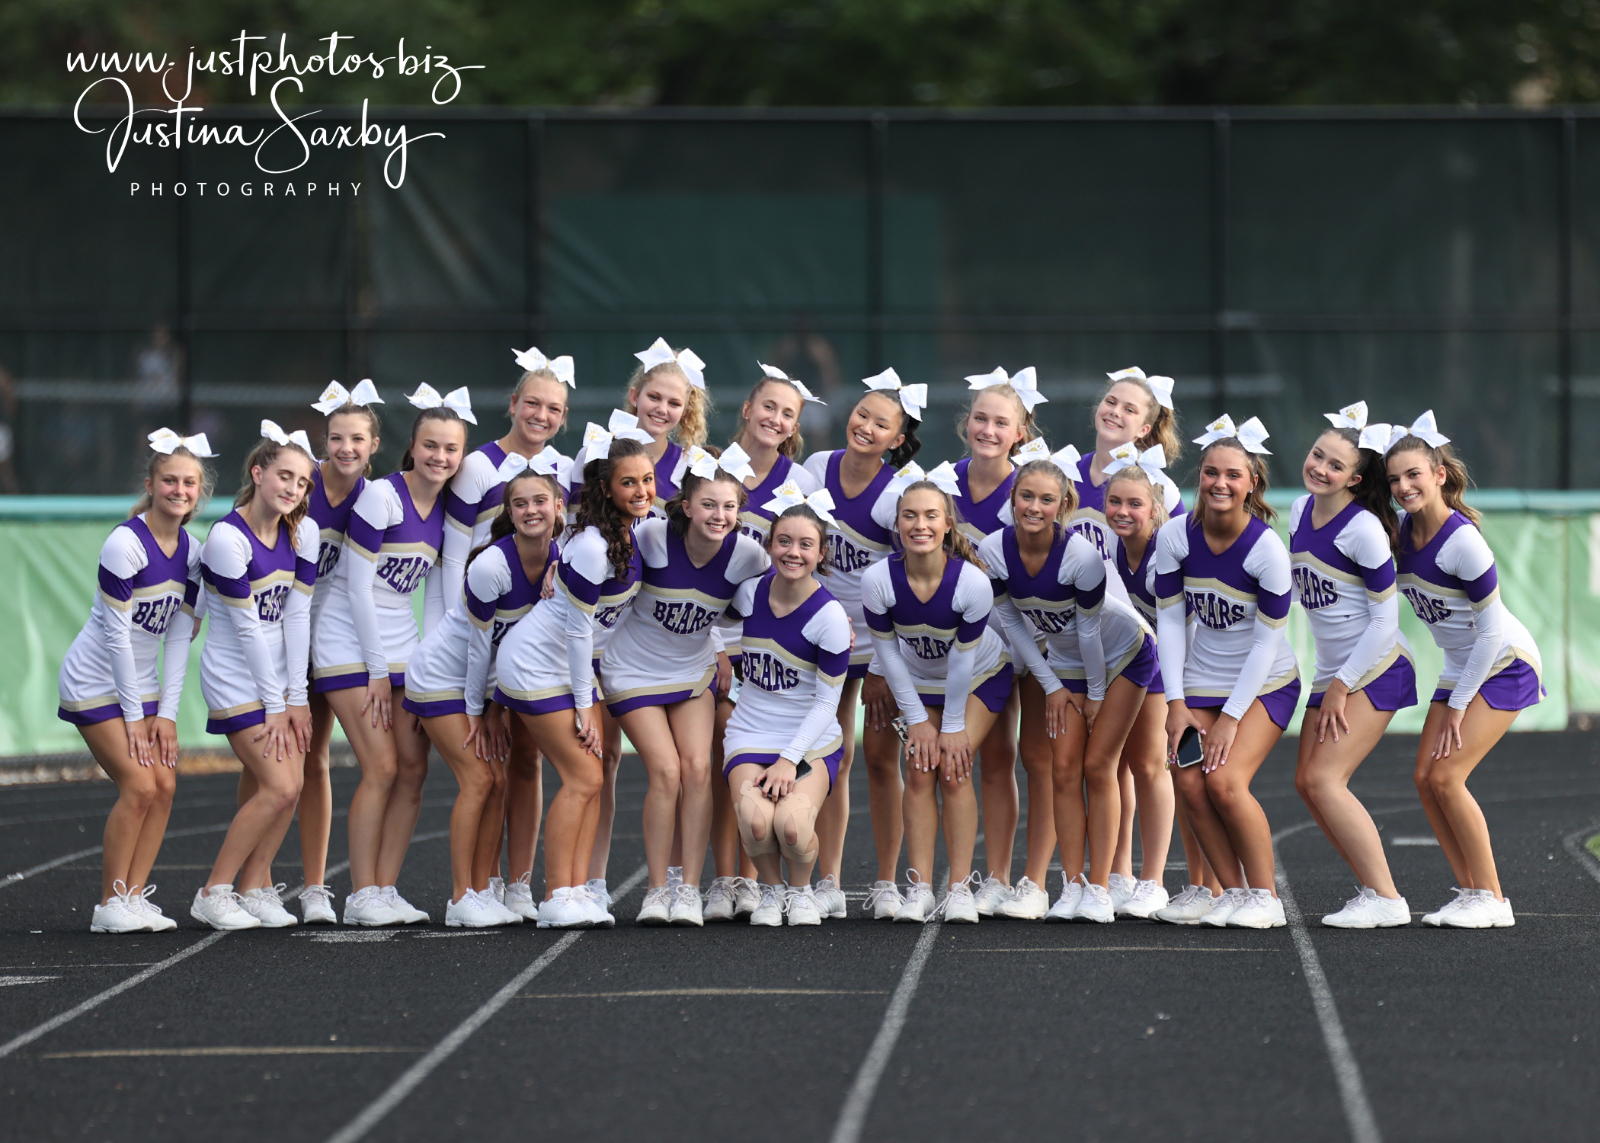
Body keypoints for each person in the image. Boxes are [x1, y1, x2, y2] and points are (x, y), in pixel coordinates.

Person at [314, 385, 471, 925]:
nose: (439, 457)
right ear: (411, 446)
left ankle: (385, 888)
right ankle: (360, 893)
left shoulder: (447, 508)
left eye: (450, 449)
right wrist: (377, 672)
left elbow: (439, 595)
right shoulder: (381, 496)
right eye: (430, 445)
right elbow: (357, 588)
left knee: (413, 768)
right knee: (380, 766)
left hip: (404, 641)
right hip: (346, 640)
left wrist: (433, 662)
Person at [980, 451, 1157, 922]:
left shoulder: (1081, 557)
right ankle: (1072, 884)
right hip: (1065, 662)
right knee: (1062, 769)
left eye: (1046, 499)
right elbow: (1013, 625)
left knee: (1098, 766)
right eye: (1026, 496)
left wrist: (1095, 695)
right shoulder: (993, 550)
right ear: (1013, 498)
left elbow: (1090, 633)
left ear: (1064, 505)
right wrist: (1053, 687)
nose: (1034, 507)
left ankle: (1099, 887)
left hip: (1122, 654)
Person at [1386, 412, 1543, 929]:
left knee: (1448, 777)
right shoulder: (1400, 532)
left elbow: (1492, 633)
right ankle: (1471, 891)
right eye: (1395, 478)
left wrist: (1457, 705)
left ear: (1439, 475)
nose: (1404, 486)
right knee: (1424, 779)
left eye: (1414, 474)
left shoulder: (1462, 542)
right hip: (1462, 664)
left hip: (1505, 663)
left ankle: (1493, 898)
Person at [493, 436, 654, 928]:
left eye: (648, 480)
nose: (642, 491)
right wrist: (586, 703)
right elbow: (578, 630)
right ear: (605, 489)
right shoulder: (591, 547)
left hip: (566, 669)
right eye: (629, 482)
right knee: (583, 776)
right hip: (535, 666)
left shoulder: (634, 531)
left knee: (593, 777)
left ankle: (577, 888)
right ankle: (556, 895)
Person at [602, 447, 768, 926]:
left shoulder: (748, 554)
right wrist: (558, 565)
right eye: (709, 505)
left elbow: (785, 591)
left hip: (692, 671)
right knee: (667, 771)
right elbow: (596, 553)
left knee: (698, 769)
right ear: (687, 506)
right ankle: (658, 890)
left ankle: (689, 889)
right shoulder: (651, 535)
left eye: (729, 506)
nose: (720, 515)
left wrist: (831, 617)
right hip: (632, 670)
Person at [573, 339, 711, 910]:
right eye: (654, 396)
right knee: (599, 761)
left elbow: (708, 555)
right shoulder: (597, 451)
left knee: (684, 768)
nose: (662, 408)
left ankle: (679, 881)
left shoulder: (693, 467)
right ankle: (592, 880)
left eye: (674, 402)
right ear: (634, 396)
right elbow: (574, 529)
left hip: (660, 631)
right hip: (602, 628)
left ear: (687, 410)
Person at [58, 429, 211, 933]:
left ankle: (133, 897)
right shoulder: (124, 544)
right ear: (150, 484)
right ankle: (109, 903)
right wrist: (133, 719)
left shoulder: (194, 552)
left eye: (189, 483)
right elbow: (118, 639)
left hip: (142, 685)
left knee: (165, 785)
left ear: (199, 491)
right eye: (169, 480)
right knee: (140, 785)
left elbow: (178, 639)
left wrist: (165, 715)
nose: (179, 490)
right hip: (94, 680)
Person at [439, 348, 574, 912]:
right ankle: (482, 881)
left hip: (532, 636)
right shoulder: (476, 465)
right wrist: (456, 632)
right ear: (513, 404)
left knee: (526, 759)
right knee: (486, 763)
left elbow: (565, 546)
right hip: (480, 629)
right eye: (532, 404)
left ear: (563, 417)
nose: (541, 415)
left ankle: (518, 882)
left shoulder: (564, 469)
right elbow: (453, 558)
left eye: (554, 408)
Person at [1156, 415, 1301, 930]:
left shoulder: (1267, 551)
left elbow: (1267, 643)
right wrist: (1175, 703)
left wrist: (1232, 718)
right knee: (1187, 781)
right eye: (1211, 472)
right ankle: (1233, 893)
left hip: (1265, 684)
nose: (1220, 483)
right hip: (1201, 681)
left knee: (1225, 782)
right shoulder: (1175, 535)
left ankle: (1266, 896)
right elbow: (1170, 623)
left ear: (1252, 483)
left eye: (1233, 475)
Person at [405, 461, 563, 926]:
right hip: (441, 677)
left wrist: (493, 706)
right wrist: (479, 713)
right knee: (478, 779)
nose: (531, 510)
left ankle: (484, 889)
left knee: (498, 780)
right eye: (520, 504)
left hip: (482, 685)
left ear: (558, 506)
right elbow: (479, 650)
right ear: (509, 513)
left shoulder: (561, 559)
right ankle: (460, 897)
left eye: (540, 501)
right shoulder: (492, 565)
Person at [247, 380, 380, 925]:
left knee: (315, 757)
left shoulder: (375, 496)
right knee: (266, 760)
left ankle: (315, 887)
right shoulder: (297, 482)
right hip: (273, 633)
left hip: (326, 636)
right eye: (337, 438)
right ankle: (254, 881)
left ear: (373, 445)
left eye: (357, 439)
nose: (346, 448)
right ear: (324, 440)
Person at [701, 364, 822, 921]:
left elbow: (810, 560)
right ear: (747, 409)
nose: (775, 418)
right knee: (720, 760)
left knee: (766, 754)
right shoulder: (708, 469)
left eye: (787, 413)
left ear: (795, 425)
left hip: (772, 641)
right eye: (767, 406)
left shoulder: (802, 482)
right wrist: (714, 643)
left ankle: (754, 882)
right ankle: (723, 877)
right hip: (712, 635)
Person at [1290, 404, 1418, 928]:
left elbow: (1385, 621)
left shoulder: (1363, 529)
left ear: (1355, 479)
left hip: (1375, 668)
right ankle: (1371, 889)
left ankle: (1387, 897)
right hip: (1334, 671)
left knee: (1325, 780)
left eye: (1335, 465)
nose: (1320, 468)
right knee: (1306, 781)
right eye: (1317, 455)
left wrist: (1342, 686)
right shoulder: (1298, 510)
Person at [864, 479, 1014, 923]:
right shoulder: (878, 580)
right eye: (909, 515)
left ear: (948, 524)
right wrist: (916, 721)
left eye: (931, 516)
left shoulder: (972, 583)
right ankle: (921, 888)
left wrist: (949, 727)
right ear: (897, 523)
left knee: (952, 765)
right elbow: (889, 656)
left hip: (979, 676)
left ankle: (960, 889)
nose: (920, 525)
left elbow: (963, 663)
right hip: (917, 680)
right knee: (918, 768)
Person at [802, 370, 924, 919]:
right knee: (828, 754)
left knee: (878, 758)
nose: (866, 427)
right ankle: (826, 881)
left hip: (877, 643)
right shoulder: (814, 468)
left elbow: (907, 578)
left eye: (882, 423)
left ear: (897, 438)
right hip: (818, 638)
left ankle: (886, 883)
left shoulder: (896, 493)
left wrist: (882, 665)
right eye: (862, 414)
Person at [190, 422, 319, 930]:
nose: (293, 489)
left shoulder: (303, 532)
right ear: (258, 472)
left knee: (291, 783)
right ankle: (214, 891)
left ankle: (254, 885)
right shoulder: (227, 539)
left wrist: (297, 696)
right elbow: (246, 630)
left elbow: (297, 617)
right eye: (284, 476)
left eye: (302, 482)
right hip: (234, 674)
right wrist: (277, 704)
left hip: (280, 677)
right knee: (280, 786)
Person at [1099, 446, 1218, 924]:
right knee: (1154, 767)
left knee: (1169, 770)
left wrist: (1179, 694)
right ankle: (1188, 884)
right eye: (1115, 502)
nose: (1123, 512)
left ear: (1156, 510)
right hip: (1153, 665)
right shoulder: (1114, 550)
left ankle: (1162, 882)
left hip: (1191, 671)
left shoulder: (1164, 552)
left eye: (1135, 504)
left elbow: (1185, 625)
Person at [722, 503, 852, 926]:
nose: (793, 552)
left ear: (821, 553)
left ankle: (801, 891)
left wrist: (787, 759)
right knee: (756, 822)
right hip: (750, 733)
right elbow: (706, 620)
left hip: (809, 740)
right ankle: (772, 890)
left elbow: (827, 704)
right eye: (784, 541)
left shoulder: (830, 617)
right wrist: (720, 653)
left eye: (805, 545)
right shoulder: (749, 593)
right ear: (770, 544)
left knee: (792, 827)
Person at [947, 367, 1045, 915]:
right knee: (979, 758)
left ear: (1020, 433)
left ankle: (1015, 878)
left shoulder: (1027, 490)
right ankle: (985, 877)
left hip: (1027, 639)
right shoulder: (943, 482)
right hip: (964, 646)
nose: (988, 430)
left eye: (1001, 422)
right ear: (966, 423)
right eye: (980, 418)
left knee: (1020, 758)